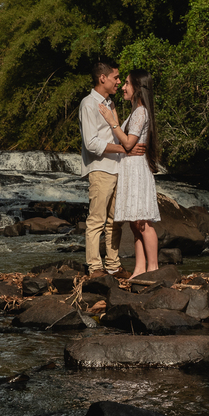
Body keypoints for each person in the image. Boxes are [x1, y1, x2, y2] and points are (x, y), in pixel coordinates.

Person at [100, 70, 161, 276]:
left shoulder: (140, 112)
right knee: (136, 224)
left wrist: (112, 121)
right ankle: (139, 268)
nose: (123, 87)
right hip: (130, 168)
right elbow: (125, 142)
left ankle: (153, 268)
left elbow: (128, 142)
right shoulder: (135, 112)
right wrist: (115, 118)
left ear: (138, 87)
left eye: (126, 83)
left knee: (142, 221)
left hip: (136, 170)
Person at [78, 61, 129, 279]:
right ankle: (95, 267)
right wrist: (124, 148)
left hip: (117, 167)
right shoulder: (88, 104)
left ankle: (113, 265)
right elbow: (91, 143)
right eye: (115, 77)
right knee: (96, 220)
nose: (118, 81)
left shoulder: (110, 103)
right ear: (102, 78)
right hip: (100, 168)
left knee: (115, 221)